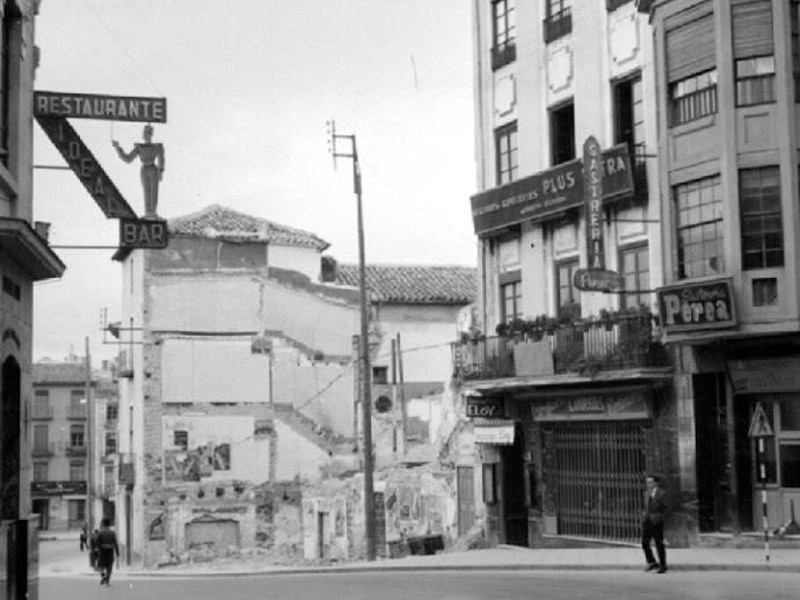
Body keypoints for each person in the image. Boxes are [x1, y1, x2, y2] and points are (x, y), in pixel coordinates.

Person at [112, 124, 165, 218]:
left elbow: (161, 159)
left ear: (150, 134)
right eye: (144, 133)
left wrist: (160, 171)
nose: (144, 135)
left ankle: (152, 212)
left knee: (153, 191)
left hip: (153, 169)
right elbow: (128, 158)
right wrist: (117, 148)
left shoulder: (157, 147)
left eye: (146, 133)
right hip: (144, 170)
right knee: (146, 190)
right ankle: (148, 212)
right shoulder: (139, 147)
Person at [642, 474, 668, 574]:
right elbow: (646, 506)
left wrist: (660, 517)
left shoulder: (661, 493)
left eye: (650, 482)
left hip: (657, 521)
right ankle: (652, 562)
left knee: (659, 543)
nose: (648, 484)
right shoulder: (646, 493)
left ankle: (663, 565)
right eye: (647, 482)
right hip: (647, 521)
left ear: (655, 483)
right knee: (644, 543)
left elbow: (667, 508)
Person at [95, 518, 120, 586]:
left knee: (100, 566)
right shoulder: (112, 533)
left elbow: (97, 542)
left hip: (102, 552)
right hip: (110, 551)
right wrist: (117, 552)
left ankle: (103, 576)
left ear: (103, 524)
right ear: (109, 524)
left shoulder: (100, 532)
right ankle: (107, 581)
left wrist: (99, 549)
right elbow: (115, 543)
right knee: (109, 567)